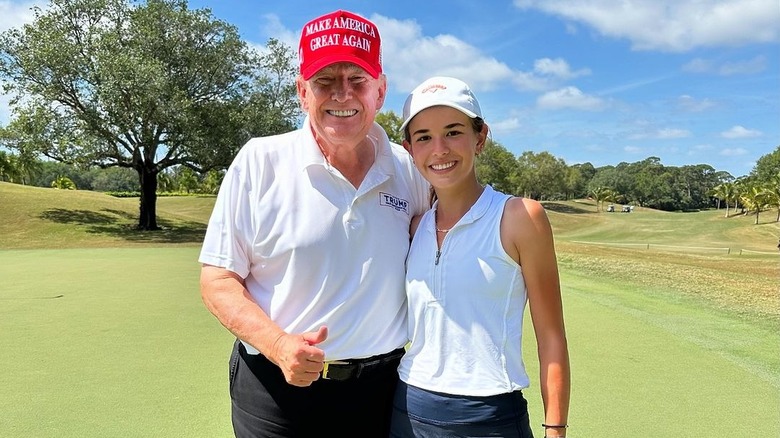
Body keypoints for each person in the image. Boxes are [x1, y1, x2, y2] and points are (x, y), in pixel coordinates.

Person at [198, 9, 429, 437]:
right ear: (302, 91)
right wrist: (279, 345)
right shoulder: (259, 161)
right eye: (324, 81)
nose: (343, 95)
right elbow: (218, 277)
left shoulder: (408, 167)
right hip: (275, 392)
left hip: (382, 392)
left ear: (380, 90)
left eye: (357, 80)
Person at [390, 77, 571, 438]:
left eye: (453, 132)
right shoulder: (414, 226)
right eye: (424, 137)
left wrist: (555, 429)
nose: (439, 149)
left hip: (490, 417)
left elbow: (551, 335)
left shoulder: (521, 217)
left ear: (481, 137)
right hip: (409, 410)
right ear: (410, 149)